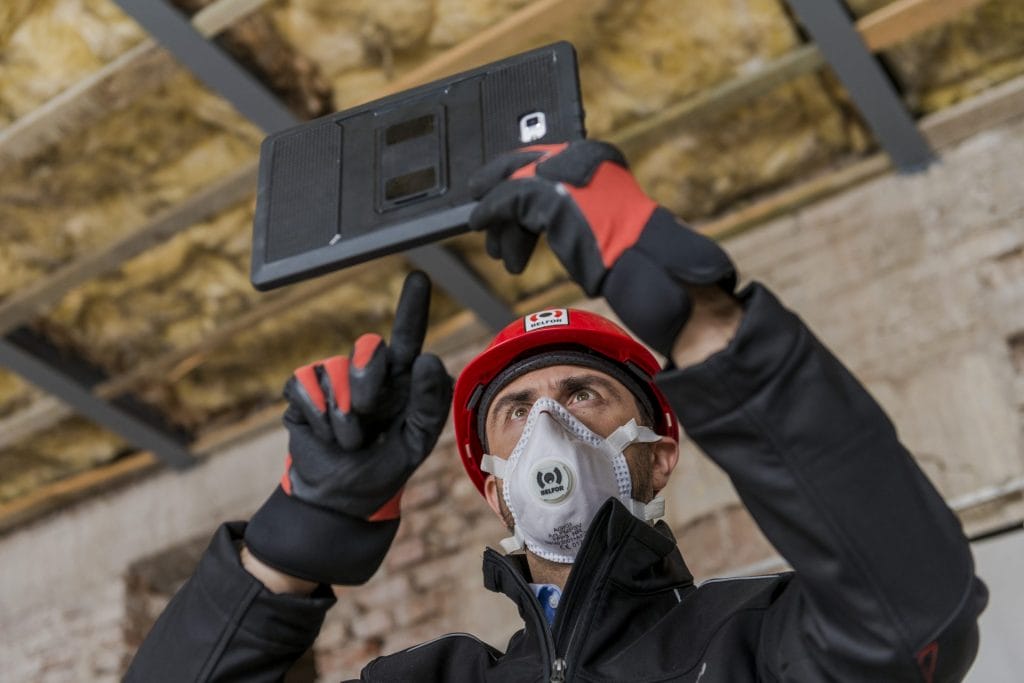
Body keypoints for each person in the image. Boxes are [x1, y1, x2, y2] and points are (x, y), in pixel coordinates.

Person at [126, 141, 987, 682]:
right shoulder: (426, 679)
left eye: (583, 394)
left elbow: (916, 609)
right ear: (495, 489)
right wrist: (293, 539)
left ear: (658, 454)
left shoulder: (758, 642)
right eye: (516, 409)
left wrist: (708, 324)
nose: (551, 427)